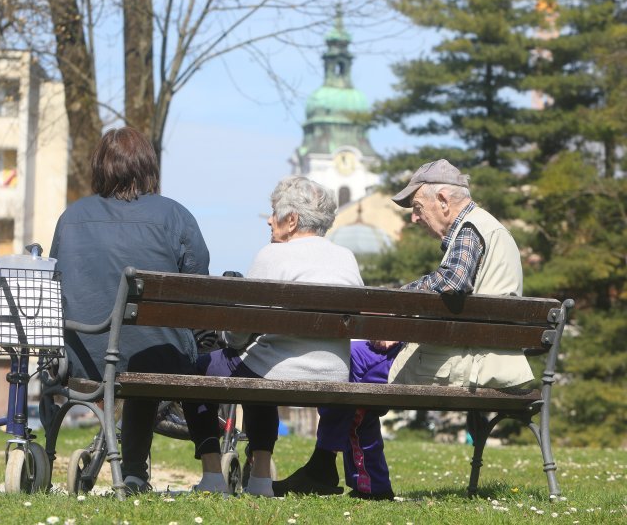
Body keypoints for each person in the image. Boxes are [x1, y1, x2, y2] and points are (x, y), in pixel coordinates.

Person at [273, 158, 534, 500]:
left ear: (443, 199)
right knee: (352, 360)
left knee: (345, 364)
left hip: (471, 361)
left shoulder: (471, 229)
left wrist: (394, 306)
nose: (413, 217)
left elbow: (451, 282)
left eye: (417, 207)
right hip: (473, 351)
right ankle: (336, 473)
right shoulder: (484, 228)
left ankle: (337, 473)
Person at [49, 127, 209, 495]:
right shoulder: (176, 215)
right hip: (157, 357)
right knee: (146, 356)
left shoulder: (71, 217)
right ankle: (135, 471)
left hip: (83, 358)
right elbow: (198, 285)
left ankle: (50, 451)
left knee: (134, 356)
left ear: (100, 167)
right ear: (147, 167)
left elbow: (55, 283)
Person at [182, 176, 362, 497]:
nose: (269, 219)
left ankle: (212, 476)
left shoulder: (272, 255)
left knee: (203, 371)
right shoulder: (345, 257)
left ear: (291, 220)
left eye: (273, 212)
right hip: (335, 373)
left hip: (276, 369)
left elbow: (239, 335)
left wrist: (228, 338)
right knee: (258, 365)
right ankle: (260, 479)